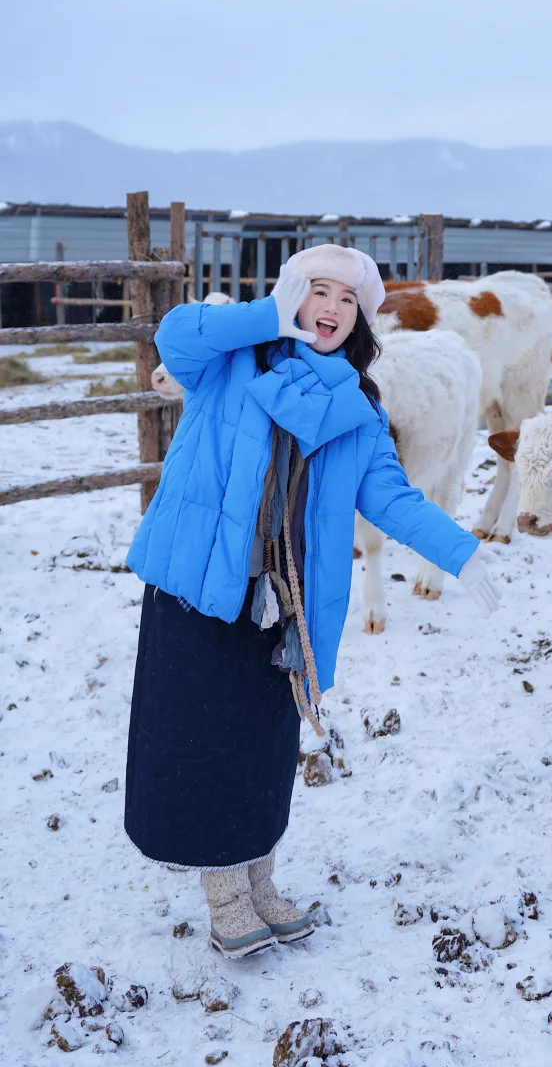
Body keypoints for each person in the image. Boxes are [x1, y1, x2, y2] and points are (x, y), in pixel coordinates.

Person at [123, 245, 500, 958]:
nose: (330, 307)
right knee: (203, 741)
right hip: (200, 586)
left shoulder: (356, 406)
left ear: (362, 317)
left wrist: (462, 548)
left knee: (263, 746)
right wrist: (268, 315)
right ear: (292, 294)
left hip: (283, 602)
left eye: (347, 298)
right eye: (316, 290)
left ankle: (259, 879)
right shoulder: (229, 364)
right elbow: (175, 333)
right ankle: (224, 892)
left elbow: (388, 496)